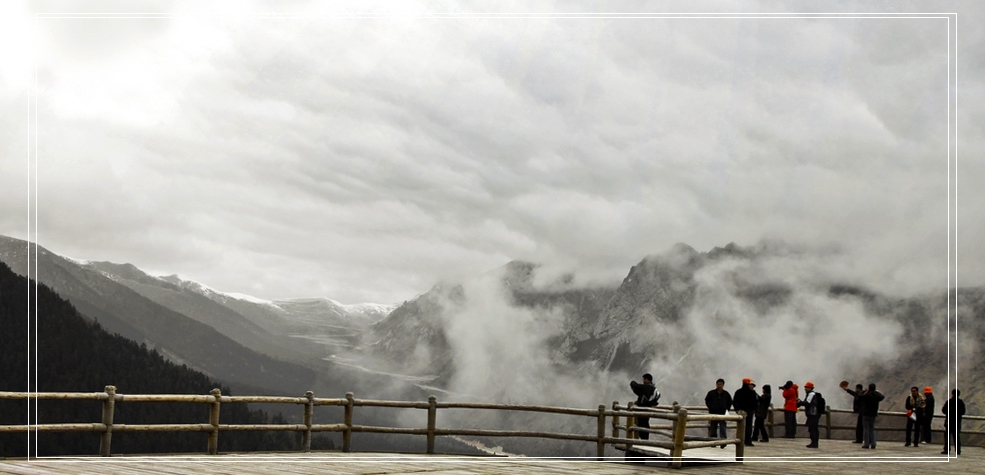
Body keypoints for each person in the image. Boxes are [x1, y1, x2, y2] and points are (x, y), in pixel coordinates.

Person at [629, 373, 660, 440]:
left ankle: (644, 440)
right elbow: (639, 393)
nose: (643, 381)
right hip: (647, 408)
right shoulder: (651, 387)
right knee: (644, 423)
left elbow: (636, 385)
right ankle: (644, 439)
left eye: (644, 379)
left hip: (643, 408)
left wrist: (632, 383)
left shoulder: (647, 387)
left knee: (642, 424)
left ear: (647, 379)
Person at [705, 378, 732, 448]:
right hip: (713, 413)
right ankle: (713, 442)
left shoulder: (726, 394)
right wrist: (711, 407)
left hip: (722, 414)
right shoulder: (711, 393)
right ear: (716, 384)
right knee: (713, 428)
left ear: (723, 385)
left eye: (721, 384)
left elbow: (730, 402)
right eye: (718, 384)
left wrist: (727, 409)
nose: (719, 385)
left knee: (723, 428)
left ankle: (723, 442)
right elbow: (707, 400)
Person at [732, 378, 758, 446]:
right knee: (748, 427)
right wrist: (754, 409)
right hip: (750, 411)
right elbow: (755, 402)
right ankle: (748, 441)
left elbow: (734, 401)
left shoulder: (738, 391)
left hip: (741, 411)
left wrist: (737, 409)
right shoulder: (752, 392)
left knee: (740, 426)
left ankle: (739, 440)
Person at [796, 382, 823, 448]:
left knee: (812, 428)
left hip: (813, 413)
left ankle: (814, 443)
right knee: (813, 428)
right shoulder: (811, 394)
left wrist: (799, 402)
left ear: (810, 388)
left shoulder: (811, 394)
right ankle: (814, 442)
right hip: (814, 413)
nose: (805, 389)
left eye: (806, 387)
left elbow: (808, 403)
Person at [860, 383, 884, 449]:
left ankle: (866, 444)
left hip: (865, 413)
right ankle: (873, 443)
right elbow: (882, 396)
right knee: (872, 429)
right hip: (873, 413)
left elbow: (859, 395)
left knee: (866, 429)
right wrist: (876, 392)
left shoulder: (866, 395)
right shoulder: (876, 396)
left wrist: (864, 391)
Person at [941, 389, 965, 455]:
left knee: (947, 436)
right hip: (957, 421)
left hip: (949, 421)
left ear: (952, 393)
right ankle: (958, 450)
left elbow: (944, 410)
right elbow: (963, 412)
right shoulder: (960, 402)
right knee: (956, 436)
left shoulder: (949, 402)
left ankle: (947, 450)